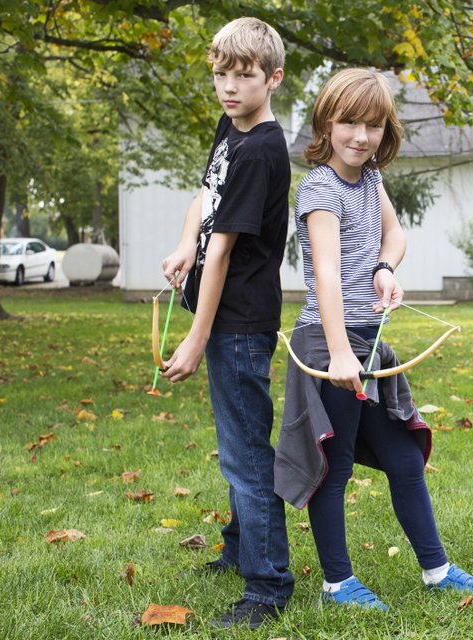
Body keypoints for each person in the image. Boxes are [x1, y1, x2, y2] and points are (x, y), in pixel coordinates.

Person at [275, 68, 473, 611]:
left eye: (372, 125)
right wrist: (339, 353)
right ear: (326, 123)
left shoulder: (371, 180)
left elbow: (394, 234)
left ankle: (438, 570)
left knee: (402, 456)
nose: (360, 136)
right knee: (336, 462)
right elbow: (325, 274)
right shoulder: (320, 188)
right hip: (329, 344)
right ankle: (338, 583)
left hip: (367, 341)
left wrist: (384, 266)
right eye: (349, 122)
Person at [159, 17, 293, 629]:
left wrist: (196, 335)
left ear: (274, 78)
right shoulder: (231, 129)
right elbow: (203, 201)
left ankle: (267, 585)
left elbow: (225, 253)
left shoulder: (263, 149)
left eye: (244, 76)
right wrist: (186, 240)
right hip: (226, 316)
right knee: (238, 443)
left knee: (245, 455)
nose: (229, 87)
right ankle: (239, 551)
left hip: (238, 322)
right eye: (221, 74)